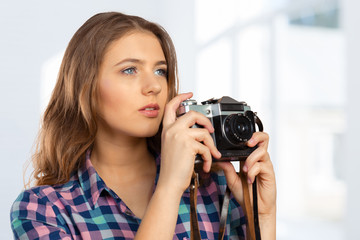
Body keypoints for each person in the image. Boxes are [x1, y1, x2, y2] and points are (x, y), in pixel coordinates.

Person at [10, 12, 276, 240]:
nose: (155, 86)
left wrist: (263, 215)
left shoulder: (214, 183)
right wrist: (169, 188)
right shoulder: (42, 210)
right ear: (86, 88)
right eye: (130, 70)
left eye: (161, 71)